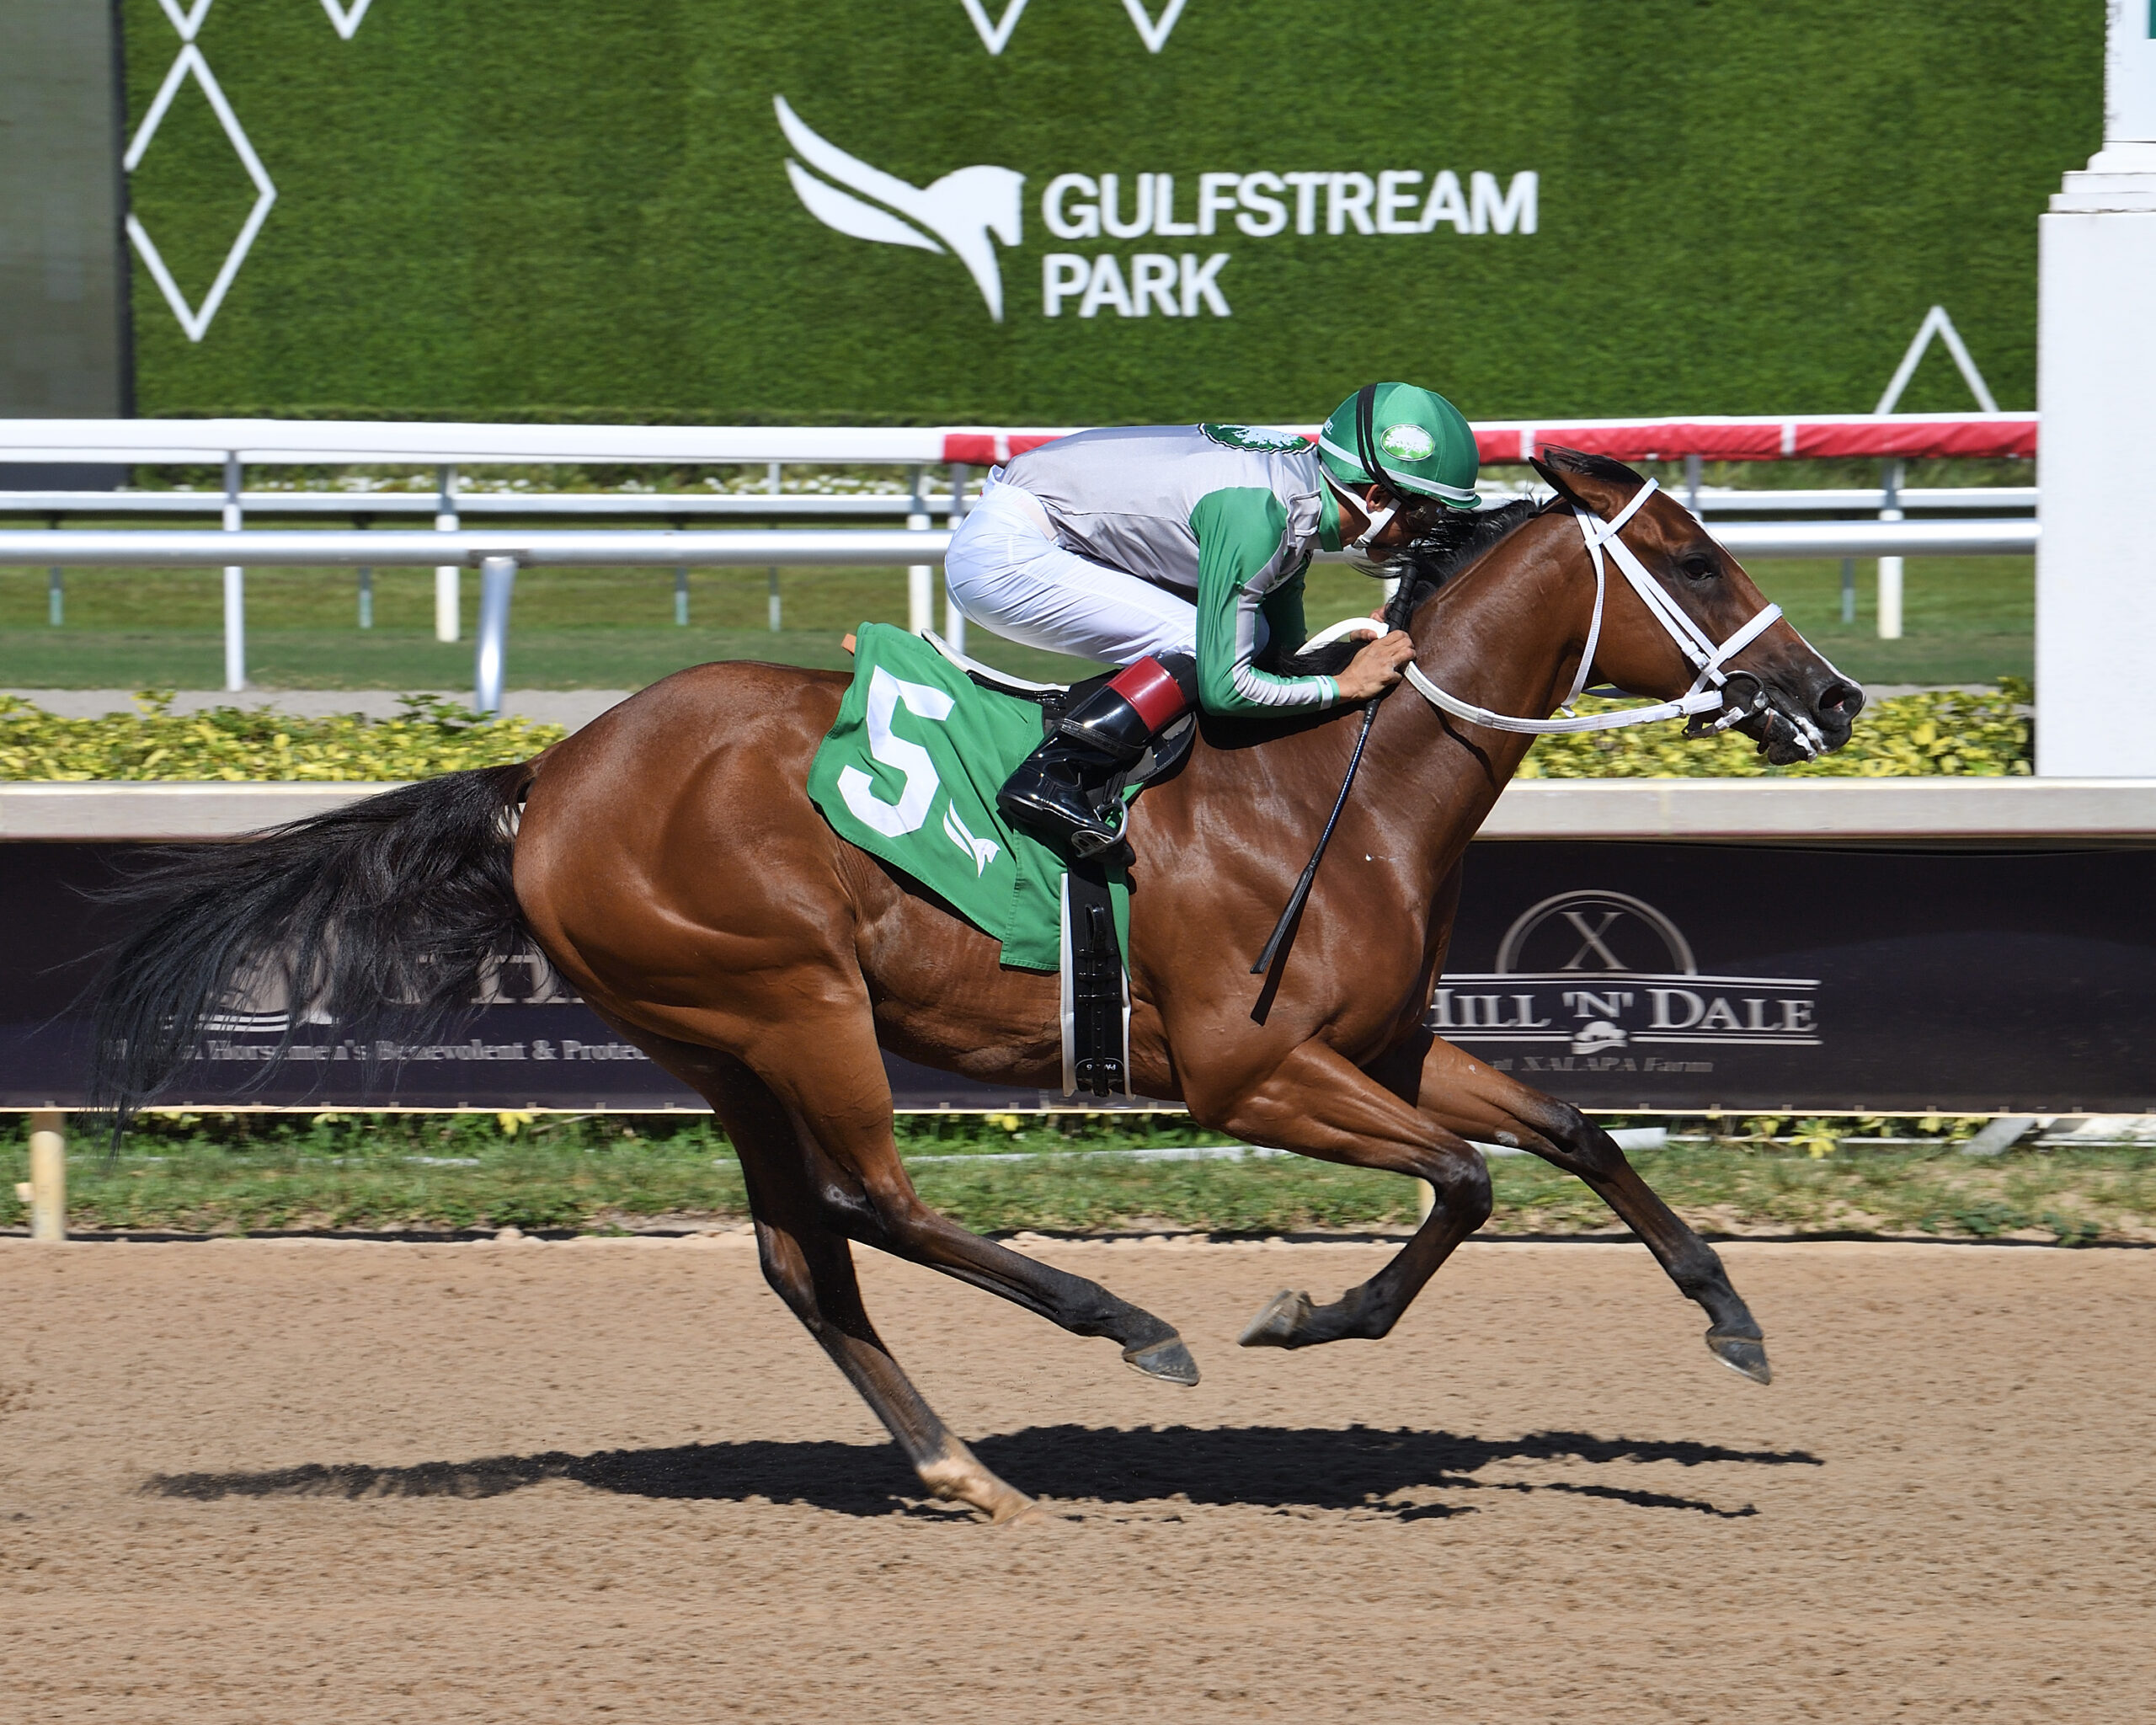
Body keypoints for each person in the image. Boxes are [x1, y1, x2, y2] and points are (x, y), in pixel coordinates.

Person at [942, 381, 1482, 854]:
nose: (1424, 530)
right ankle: (1053, 774)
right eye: (1424, 512)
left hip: (1051, 529)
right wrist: (1345, 684)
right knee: (1196, 644)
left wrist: (1359, 639)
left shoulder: (1296, 491)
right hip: (1006, 555)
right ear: (1375, 496)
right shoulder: (1261, 516)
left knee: (1257, 637)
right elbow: (1228, 687)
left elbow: (1279, 652)